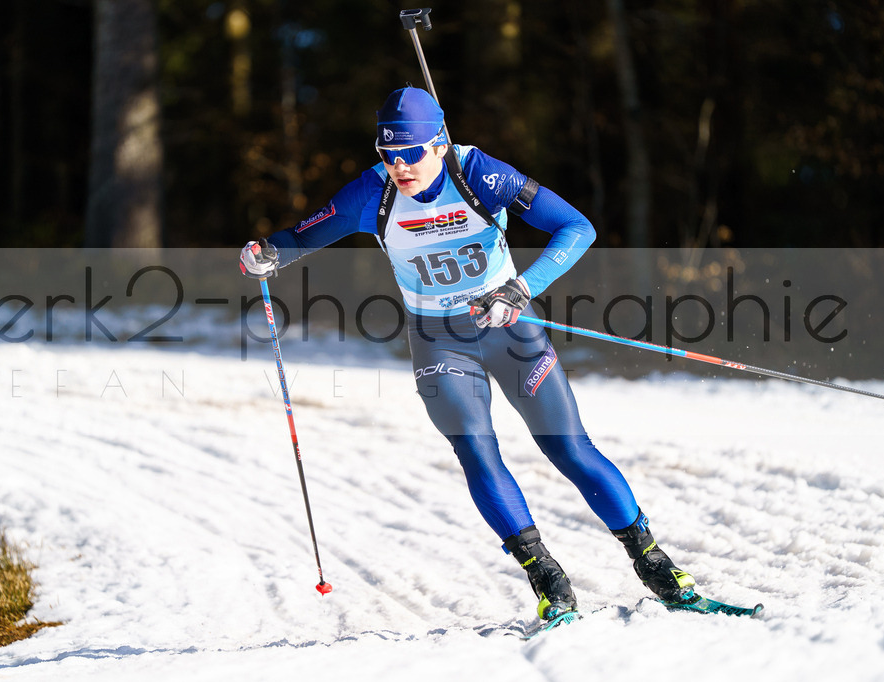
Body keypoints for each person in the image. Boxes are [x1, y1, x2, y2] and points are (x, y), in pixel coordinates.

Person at [240, 86, 696, 621]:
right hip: (438, 340)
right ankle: (546, 576)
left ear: (439, 143)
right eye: (388, 155)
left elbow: (578, 228)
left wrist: (520, 290)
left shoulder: (480, 175)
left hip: (512, 330)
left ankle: (651, 559)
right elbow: (299, 237)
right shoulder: (371, 193)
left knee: (568, 446)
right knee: (477, 450)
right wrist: (265, 254)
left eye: (411, 153)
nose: (399, 167)